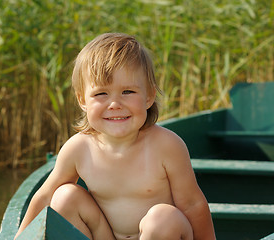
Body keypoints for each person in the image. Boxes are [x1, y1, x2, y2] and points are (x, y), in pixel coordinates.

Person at [15, 33, 216, 240]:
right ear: (82, 100)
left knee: (162, 218)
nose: (114, 104)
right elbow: (45, 196)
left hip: (159, 235)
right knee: (63, 196)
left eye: (127, 92)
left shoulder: (166, 145)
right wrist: (19, 237)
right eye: (101, 94)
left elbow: (193, 205)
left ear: (149, 96)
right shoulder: (79, 148)